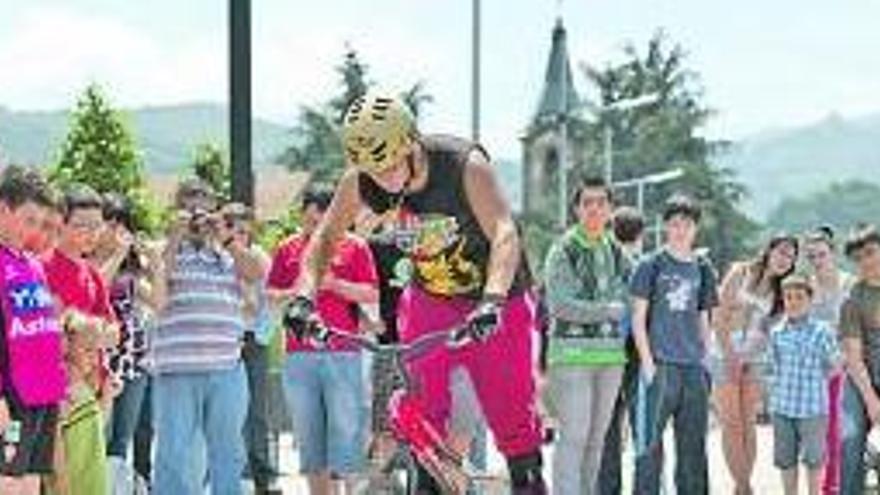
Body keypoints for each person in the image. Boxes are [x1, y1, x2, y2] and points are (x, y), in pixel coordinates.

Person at [283, 91, 547, 494]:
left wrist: (491, 301)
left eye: (390, 166)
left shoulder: (463, 166)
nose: (384, 179)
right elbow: (323, 240)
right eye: (373, 170)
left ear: (412, 142)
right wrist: (303, 298)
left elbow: (505, 233)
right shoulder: (363, 179)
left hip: (497, 299)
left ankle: (527, 478)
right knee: (423, 423)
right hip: (432, 300)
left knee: (514, 423)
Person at [151, 179, 266, 495]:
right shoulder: (162, 249)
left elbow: (256, 273)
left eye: (205, 206)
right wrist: (175, 237)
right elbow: (158, 284)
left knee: (228, 453)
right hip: (176, 370)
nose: (197, 213)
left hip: (226, 368)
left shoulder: (229, 250)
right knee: (173, 453)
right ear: (177, 209)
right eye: (189, 204)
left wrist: (226, 239)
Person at [268, 185, 378, 495]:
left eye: (321, 221)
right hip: (298, 354)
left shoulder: (355, 247)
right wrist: (299, 291)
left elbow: (371, 292)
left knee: (345, 432)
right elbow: (270, 297)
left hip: (344, 352)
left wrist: (334, 284)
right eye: (309, 221)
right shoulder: (287, 248)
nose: (314, 228)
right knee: (309, 434)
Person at [542, 176, 629, 495]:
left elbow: (631, 295)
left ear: (610, 209)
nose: (594, 209)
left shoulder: (617, 251)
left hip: (611, 358)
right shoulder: (563, 248)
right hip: (571, 356)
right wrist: (608, 309)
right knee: (574, 436)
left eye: (601, 203)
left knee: (597, 439)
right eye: (587, 203)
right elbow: (560, 304)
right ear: (576, 209)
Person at [631, 193, 718, 495]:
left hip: (693, 369)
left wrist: (707, 363)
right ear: (665, 226)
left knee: (693, 450)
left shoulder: (703, 267)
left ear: (696, 228)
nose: (680, 230)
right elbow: (638, 319)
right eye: (675, 223)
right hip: (661, 366)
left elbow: (704, 319)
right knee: (649, 448)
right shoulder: (650, 264)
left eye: (687, 224)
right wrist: (648, 365)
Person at [42, 184, 120, 495]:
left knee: (90, 482)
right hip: (59, 396)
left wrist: (88, 332)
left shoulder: (92, 275)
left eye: (96, 226)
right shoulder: (42, 267)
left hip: (92, 394)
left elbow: (114, 332)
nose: (90, 233)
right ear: (60, 222)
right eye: (81, 225)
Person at [711, 233, 798, 495]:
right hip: (723, 352)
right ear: (769, 250)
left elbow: (772, 331)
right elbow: (720, 314)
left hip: (756, 357)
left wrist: (749, 356)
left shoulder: (781, 291)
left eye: (791, 256)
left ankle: (742, 487)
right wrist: (730, 355)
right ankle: (743, 486)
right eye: (782, 252)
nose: (785, 259)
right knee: (731, 423)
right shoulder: (741, 271)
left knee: (748, 423)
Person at [0, 166, 68, 495]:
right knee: (8, 484)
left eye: (41, 223)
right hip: (11, 399)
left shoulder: (32, 265)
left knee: (31, 483)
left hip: (42, 397)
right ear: (3, 209)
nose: (35, 231)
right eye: (29, 220)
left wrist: (57, 386)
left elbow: (44, 332)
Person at [94, 194, 161, 485]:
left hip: (132, 362)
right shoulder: (86, 262)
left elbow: (159, 302)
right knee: (98, 434)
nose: (115, 230)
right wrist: (118, 255)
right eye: (110, 222)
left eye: (121, 224)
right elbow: (94, 289)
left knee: (122, 438)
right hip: (98, 361)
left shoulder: (132, 270)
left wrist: (156, 264)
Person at [225, 203, 282, 495]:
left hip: (253, 341)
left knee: (257, 410)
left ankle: (263, 475)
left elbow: (261, 304)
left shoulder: (259, 257)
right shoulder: (218, 258)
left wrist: (260, 336)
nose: (240, 237)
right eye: (234, 230)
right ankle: (234, 472)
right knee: (227, 412)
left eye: (245, 232)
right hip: (223, 342)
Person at [768, 273, 842, 495]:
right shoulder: (777, 333)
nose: (793, 302)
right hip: (782, 407)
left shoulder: (822, 332)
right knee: (786, 459)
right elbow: (773, 368)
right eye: (788, 297)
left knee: (814, 459)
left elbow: (835, 365)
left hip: (812, 409)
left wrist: (817, 381)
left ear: (810, 300)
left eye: (799, 297)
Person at [597, 205, 645, 495]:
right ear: (640, 235)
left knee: (607, 431)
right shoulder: (647, 265)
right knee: (644, 429)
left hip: (604, 353)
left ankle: (607, 489)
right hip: (639, 352)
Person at [802, 226, 854, 495]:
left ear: (832, 253)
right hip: (813, 368)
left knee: (835, 424)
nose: (817, 261)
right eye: (811, 257)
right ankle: (822, 481)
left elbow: (855, 328)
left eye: (821, 254)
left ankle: (831, 485)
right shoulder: (806, 287)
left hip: (845, 363)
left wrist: (844, 360)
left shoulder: (849, 284)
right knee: (816, 428)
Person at [838, 225, 880, 494]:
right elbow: (853, 358)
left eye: (870, 252)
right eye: (858, 258)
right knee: (851, 440)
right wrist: (872, 402)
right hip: (861, 379)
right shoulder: (852, 299)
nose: (865, 261)